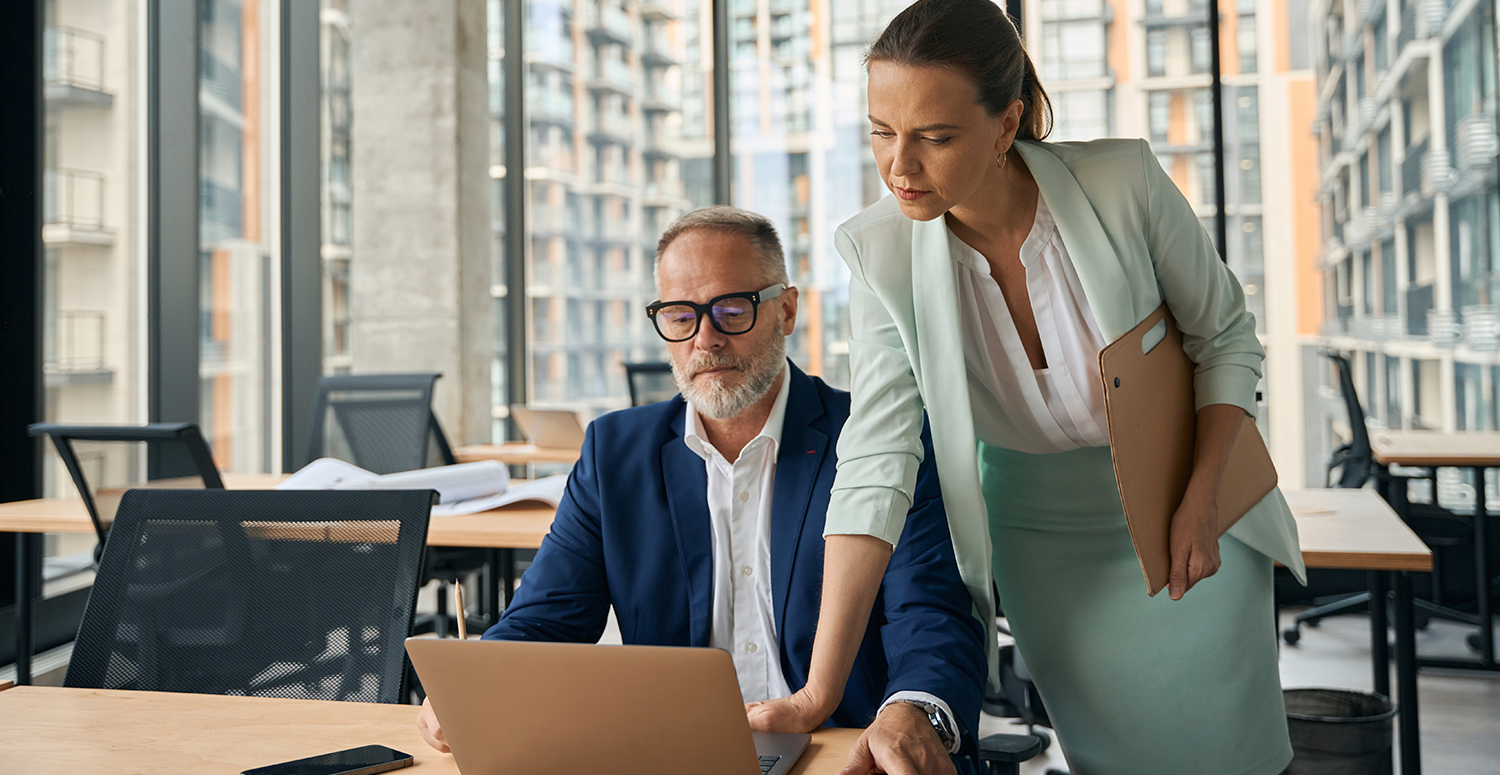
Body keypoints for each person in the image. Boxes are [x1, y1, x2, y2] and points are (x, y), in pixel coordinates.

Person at [743, 3, 1308, 774]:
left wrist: (1204, 503)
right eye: (881, 131)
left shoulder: (1122, 184)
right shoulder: (880, 255)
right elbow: (876, 463)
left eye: (934, 137)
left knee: (1237, 755)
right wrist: (817, 692)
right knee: (1111, 759)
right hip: (1043, 542)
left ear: (1007, 124)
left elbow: (1227, 339)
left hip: (1188, 503)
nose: (899, 167)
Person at [416, 206, 987, 775]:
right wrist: (472, 681)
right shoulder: (616, 453)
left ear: (786, 310)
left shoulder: (875, 438)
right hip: (675, 756)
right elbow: (546, 619)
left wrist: (913, 709)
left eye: (732, 309)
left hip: (840, 754)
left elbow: (929, 615)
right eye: (680, 315)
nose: (705, 340)